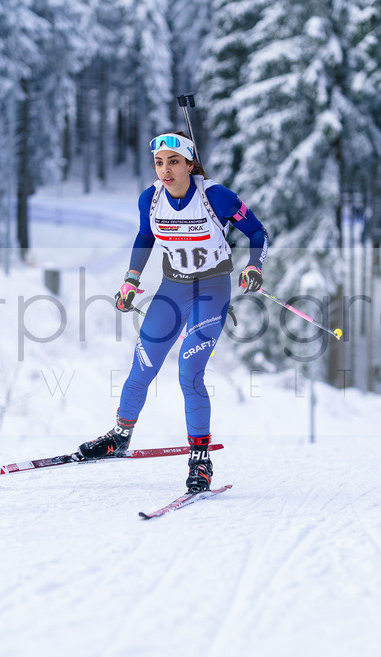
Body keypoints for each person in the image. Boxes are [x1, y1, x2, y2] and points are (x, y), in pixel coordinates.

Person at [77, 131, 269, 493]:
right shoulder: (150, 199)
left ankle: (201, 459)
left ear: (190, 164)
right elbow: (144, 237)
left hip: (211, 289)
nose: (165, 170)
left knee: (188, 371)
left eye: (174, 162)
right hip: (173, 288)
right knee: (142, 365)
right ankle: (119, 436)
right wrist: (131, 280)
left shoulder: (216, 197)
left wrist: (254, 265)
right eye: (159, 163)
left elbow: (258, 232)